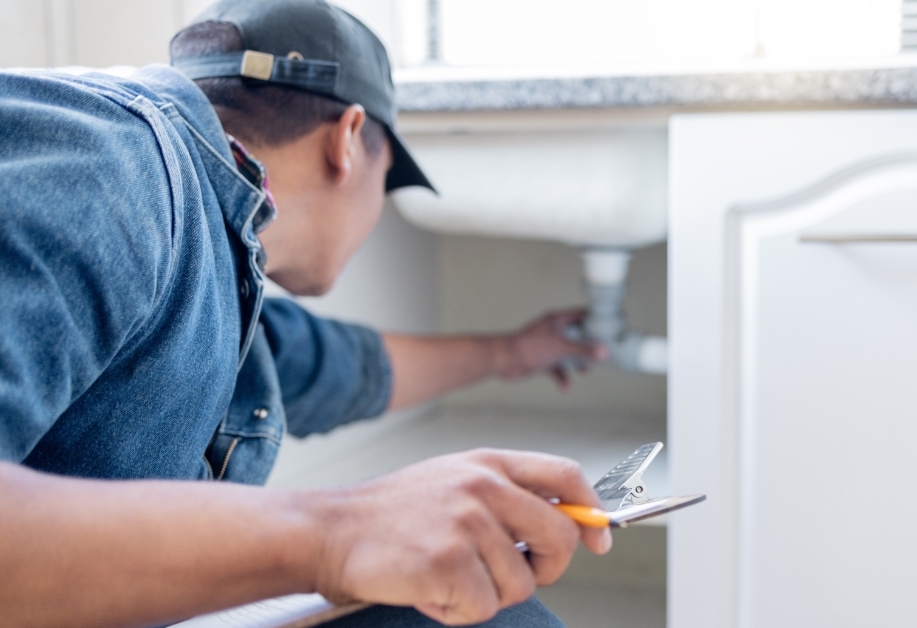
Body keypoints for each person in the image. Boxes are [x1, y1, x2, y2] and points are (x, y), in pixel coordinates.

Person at [0, 1, 611, 626]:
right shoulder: (113, 164)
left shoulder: (206, 262)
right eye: (388, 180)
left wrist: (515, 353)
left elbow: (344, 367)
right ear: (348, 139)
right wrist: (337, 533)